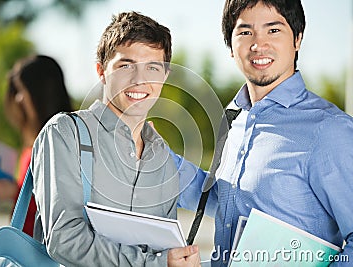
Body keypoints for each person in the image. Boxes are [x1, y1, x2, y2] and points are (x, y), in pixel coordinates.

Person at [171, 0, 353, 266]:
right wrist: (153, 155)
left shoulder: (330, 129)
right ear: (231, 47)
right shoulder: (235, 118)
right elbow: (226, 200)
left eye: (273, 30)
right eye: (245, 32)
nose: (258, 44)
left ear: (297, 39)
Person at [30, 11, 200, 266]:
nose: (139, 80)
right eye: (125, 66)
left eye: (152, 67)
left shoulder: (163, 157)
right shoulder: (66, 133)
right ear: (101, 71)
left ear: (164, 76)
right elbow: (63, 239)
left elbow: (161, 246)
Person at [0, 55, 73, 237]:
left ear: (41, 93)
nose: (18, 99)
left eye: (21, 90)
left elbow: (62, 205)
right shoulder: (31, 146)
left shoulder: (63, 143)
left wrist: (13, 192)